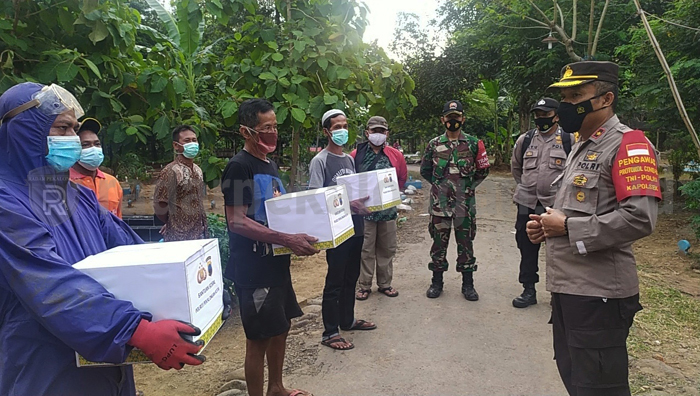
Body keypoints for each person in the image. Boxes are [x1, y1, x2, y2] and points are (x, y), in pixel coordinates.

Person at [0, 82, 209, 396]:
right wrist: (137, 331)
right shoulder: (7, 204)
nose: (73, 139)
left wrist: (195, 282)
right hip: (45, 366)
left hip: (106, 362)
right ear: (25, 133)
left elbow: (129, 249)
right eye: (62, 129)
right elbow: (49, 284)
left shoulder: (78, 196)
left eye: (74, 129)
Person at [526, 61, 661, 396]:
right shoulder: (580, 144)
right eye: (565, 96)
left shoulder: (629, 144)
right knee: (576, 379)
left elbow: (640, 218)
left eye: (577, 95)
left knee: (599, 388)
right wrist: (548, 227)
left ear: (605, 99)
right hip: (570, 289)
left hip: (600, 294)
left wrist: (568, 227)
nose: (567, 104)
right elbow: (581, 208)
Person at [221, 98, 317, 396]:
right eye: (266, 128)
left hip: (276, 263)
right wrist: (286, 239)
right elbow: (236, 221)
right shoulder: (238, 167)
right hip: (253, 269)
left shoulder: (270, 164)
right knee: (259, 338)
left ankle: (276, 387)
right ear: (246, 131)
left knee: (281, 326)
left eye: (275, 126)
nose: (273, 133)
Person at [308, 109, 376, 351]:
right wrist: (348, 204)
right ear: (327, 131)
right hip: (336, 231)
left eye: (345, 125)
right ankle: (330, 332)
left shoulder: (348, 159)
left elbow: (353, 192)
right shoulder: (320, 161)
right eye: (337, 127)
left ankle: (347, 320)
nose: (342, 130)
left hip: (355, 227)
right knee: (335, 281)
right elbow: (315, 198)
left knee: (351, 277)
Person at [420, 100, 490, 301]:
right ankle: (436, 282)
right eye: (449, 118)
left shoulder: (474, 143)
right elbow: (426, 170)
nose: (453, 121)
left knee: (466, 245)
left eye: (456, 118)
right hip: (439, 206)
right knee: (438, 245)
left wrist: (466, 188)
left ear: (463, 119)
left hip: (464, 206)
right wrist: (441, 189)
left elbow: (482, 170)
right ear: (443, 119)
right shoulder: (434, 144)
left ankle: (468, 285)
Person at [510, 98, 572, 308]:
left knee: (558, 249)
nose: (540, 119)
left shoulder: (568, 140)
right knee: (526, 246)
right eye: (537, 115)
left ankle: (559, 293)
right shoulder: (525, 140)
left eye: (545, 115)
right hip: (527, 203)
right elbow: (516, 169)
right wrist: (528, 187)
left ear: (556, 116)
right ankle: (528, 290)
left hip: (555, 205)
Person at [350, 116, 407, 300]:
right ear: (367, 133)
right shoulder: (355, 155)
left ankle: (385, 284)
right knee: (365, 249)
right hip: (364, 214)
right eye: (374, 131)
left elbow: (401, 179)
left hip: (388, 212)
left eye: (381, 131)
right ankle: (364, 285)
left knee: (387, 248)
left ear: (387, 133)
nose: (378, 134)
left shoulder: (395, 155)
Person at [153, 125, 209, 241]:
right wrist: (172, 222)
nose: (192, 144)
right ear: (176, 145)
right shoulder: (171, 171)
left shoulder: (198, 170)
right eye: (187, 141)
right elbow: (160, 205)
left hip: (200, 234)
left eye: (194, 140)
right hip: (179, 236)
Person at [69, 117, 124, 218]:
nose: (93, 148)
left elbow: (118, 220)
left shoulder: (112, 182)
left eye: (97, 144)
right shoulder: (64, 182)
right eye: (85, 144)